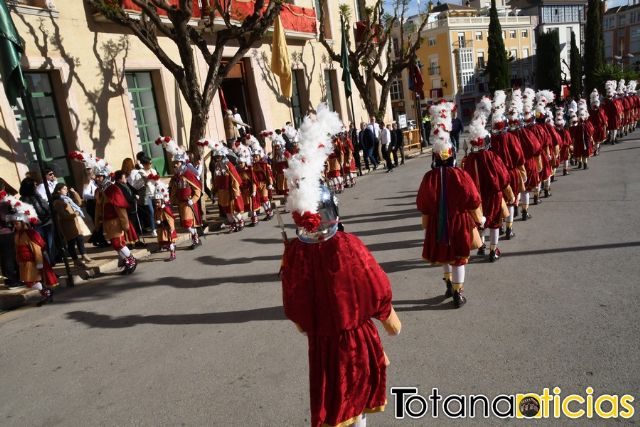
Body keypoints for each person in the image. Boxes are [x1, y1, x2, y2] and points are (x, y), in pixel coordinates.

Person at [281, 104, 401, 427]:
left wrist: (305, 323)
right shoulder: (348, 246)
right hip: (353, 339)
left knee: (336, 399)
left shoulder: (295, 254)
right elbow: (375, 284)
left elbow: (294, 302)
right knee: (355, 397)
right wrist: (387, 315)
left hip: (321, 344)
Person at [417, 100, 484, 308]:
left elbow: (423, 202)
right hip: (459, 222)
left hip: (439, 223)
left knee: (445, 256)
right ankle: (457, 291)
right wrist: (479, 218)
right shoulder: (460, 175)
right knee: (459, 259)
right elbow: (472, 198)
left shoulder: (430, 177)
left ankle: (448, 284)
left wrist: (426, 222)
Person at [70, 151, 138, 274]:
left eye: (100, 176)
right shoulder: (99, 191)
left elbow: (120, 208)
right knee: (115, 244)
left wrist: (125, 223)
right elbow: (98, 208)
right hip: (107, 222)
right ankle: (127, 262)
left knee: (118, 243)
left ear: (105, 176)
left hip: (116, 221)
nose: (97, 178)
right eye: (97, 176)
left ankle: (131, 260)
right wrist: (98, 222)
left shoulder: (113, 189)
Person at [461, 109, 514, 262]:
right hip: (492, 195)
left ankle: (481, 246)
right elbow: (502, 176)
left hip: (476, 197)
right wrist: (507, 191)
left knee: (481, 221)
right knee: (495, 223)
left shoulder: (469, 159)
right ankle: (493, 249)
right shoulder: (491, 156)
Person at [2, 193, 58, 305]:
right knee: (30, 282)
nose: (15, 225)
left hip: (32, 263)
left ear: (23, 222)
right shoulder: (17, 235)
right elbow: (17, 249)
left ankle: (47, 293)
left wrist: (39, 263)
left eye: (17, 223)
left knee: (33, 281)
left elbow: (36, 249)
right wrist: (18, 260)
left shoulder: (31, 234)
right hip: (24, 263)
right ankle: (46, 293)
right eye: (14, 223)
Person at [158, 137, 203, 248]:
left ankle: (196, 238)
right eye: (174, 163)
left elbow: (197, 189)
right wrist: (173, 200)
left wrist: (193, 200)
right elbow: (173, 189)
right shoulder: (176, 176)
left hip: (189, 203)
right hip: (181, 203)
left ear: (182, 163)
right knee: (185, 223)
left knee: (188, 224)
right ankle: (195, 240)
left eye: (177, 163)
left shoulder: (188, 174)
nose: (175, 165)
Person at [206, 140, 245, 232]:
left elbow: (235, 179)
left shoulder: (229, 165)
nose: (217, 158)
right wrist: (214, 191)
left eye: (219, 156)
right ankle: (233, 224)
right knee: (227, 211)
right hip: (222, 192)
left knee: (234, 210)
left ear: (222, 155)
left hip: (230, 191)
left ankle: (240, 221)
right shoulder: (217, 166)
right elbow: (215, 180)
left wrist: (236, 192)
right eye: (216, 157)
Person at [52, 183, 93, 268]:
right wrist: (75, 214)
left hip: (75, 222)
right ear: (58, 190)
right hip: (67, 224)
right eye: (64, 189)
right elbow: (63, 215)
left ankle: (84, 255)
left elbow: (79, 203)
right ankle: (75, 260)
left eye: (66, 188)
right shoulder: (58, 202)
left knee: (80, 238)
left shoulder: (67, 198)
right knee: (71, 242)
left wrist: (74, 192)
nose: (66, 190)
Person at [19, 177, 56, 266]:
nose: (36, 186)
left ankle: (51, 263)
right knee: (41, 246)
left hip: (48, 222)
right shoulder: (23, 199)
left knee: (50, 245)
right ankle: (47, 266)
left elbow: (45, 206)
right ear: (29, 186)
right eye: (34, 185)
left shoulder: (37, 195)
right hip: (37, 225)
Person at [0, 180, 19, 287]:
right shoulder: (3, 201)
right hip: (5, 232)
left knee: (4, 257)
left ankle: (9, 279)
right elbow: (5, 218)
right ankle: (12, 280)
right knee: (9, 257)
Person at [152, 181, 177, 261]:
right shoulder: (157, 209)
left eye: (158, 202)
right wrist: (156, 221)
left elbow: (170, 220)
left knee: (170, 242)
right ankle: (165, 248)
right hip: (161, 229)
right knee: (164, 242)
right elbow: (155, 217)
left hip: (167, 229)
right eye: (155, 202)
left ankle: (173, 254)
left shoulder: (165, 209)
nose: (156, 204)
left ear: (162, 201)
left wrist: (172, 228)